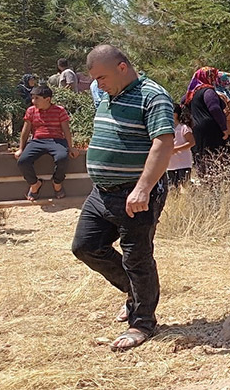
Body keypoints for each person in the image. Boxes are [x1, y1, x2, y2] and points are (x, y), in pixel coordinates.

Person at [71, 44, 174, 352]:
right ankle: (136, 293)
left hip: (135, 192)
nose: (97, 84)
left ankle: (143, 322)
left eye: (102, 77)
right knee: (85, 247)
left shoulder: (153, 96)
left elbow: (163, 144)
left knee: (136, 256)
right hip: (101, 192)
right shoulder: (107, 93)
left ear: (122, 67)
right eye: (95, 79)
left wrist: (143, 187)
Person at [15, 85, 78, 200]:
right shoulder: (31, 111)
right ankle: (35, 184)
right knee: (23, 161)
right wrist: (21, 148)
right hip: (37, 141)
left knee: (62, 158)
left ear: (47, 99)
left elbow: (66, 130)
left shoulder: (59, 110)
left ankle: (57, 183)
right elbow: (25, 130)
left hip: (56, 141)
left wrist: (71, 147)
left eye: (37, 98)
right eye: (32, 98)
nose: (33, 101)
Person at [183, 67, 230, 178]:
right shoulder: (208, 91)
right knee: (214, 157)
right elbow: (214, 109)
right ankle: (213, 184)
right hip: (211, 130)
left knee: (201, 156)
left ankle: (204, 181)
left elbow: (182, 102)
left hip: (197, 128)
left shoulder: (193, 92)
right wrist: (224, 128)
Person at [166, 104, 195, 189]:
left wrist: (176, 149)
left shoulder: (184, 128)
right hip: (171, 164)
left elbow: (191, 142)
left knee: (185, 185)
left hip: (183, 163)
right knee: (172, 187)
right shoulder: (168, 128)